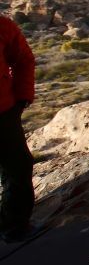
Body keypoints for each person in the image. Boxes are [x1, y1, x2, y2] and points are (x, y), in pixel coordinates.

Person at [0, 16, 36, 242]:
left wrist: (22, 97)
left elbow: (23, 60)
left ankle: (14, 226)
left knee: (18, 168)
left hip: (3, 112)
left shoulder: (2, 26)